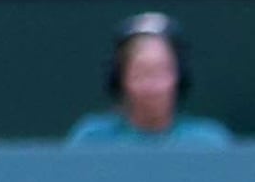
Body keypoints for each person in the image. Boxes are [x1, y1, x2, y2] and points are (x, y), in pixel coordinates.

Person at [69, 9, 236, 143]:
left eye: (161, 71)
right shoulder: (92, 139)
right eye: (141, 73)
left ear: (179, 76)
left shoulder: (208, 141)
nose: (152, 86)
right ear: (121, 79)